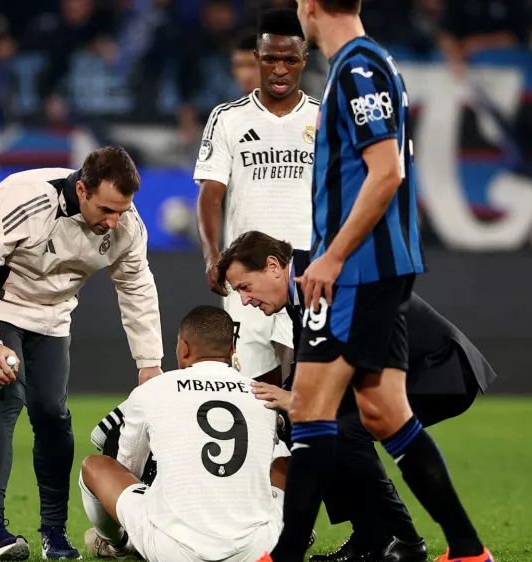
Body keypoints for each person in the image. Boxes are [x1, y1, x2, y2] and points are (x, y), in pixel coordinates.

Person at [262, 0, 494, 561]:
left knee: (310, 409)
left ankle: (285, 554)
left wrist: (332, 257)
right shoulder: (371, 62)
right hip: (377, 269)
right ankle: (468, 550)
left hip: (357, 270)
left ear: (312, 5)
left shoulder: (358, 68)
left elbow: (386, 171)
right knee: (383, 412)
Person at [217, 231, 498, 562]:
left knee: (342, 430)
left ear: (273, 266)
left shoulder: (325, 276)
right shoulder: (301, 290)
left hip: (437, 369)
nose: (245, 301)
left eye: (245, 287)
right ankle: (370, 537)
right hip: (395, 369)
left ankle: (402, 539)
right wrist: (279, 409)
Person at [0, 146, 164, 561]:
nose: (114, 222)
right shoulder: (22, 199)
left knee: (52, 416)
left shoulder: (127, 225)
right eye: (106, 209)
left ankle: (55, 534)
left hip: (54, 318)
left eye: (122, 211)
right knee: (4, 400)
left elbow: (136, 288)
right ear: (81, 189)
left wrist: (149, 363)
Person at [79, 306, 290, 562]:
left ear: (184, 348)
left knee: (95, 466)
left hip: (172, 550)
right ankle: (291, 529)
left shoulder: (152, 390)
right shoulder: (262, 393)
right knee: (284, 460)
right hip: (257, 549)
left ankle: (118, 547)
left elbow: (128, 468)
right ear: (233, 350)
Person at [195, 7, 320, 383]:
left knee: (308, 385)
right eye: (270, 59)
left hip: (307, 272)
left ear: (304, 60)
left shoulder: (324, 118)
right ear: (257, 58)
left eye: (289, 60)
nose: (279, 70)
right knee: (253, 388)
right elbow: (210, 194)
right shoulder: (227, 118)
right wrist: (212, 255)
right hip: (246, 277)